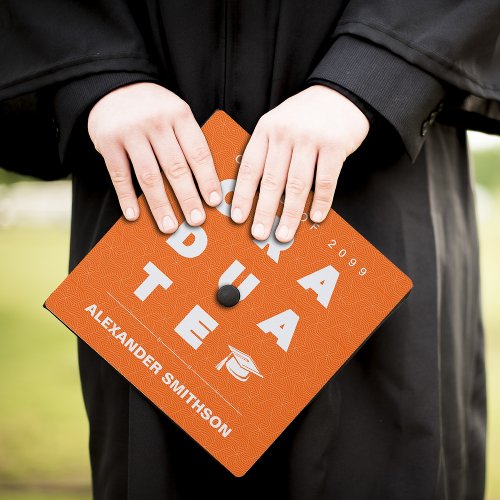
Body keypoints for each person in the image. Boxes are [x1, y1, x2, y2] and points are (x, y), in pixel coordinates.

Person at [1, 1, 499, 498]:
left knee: (377, 456)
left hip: (369, 157)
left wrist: (374, 70)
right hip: (148, 163)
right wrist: (97, 73)